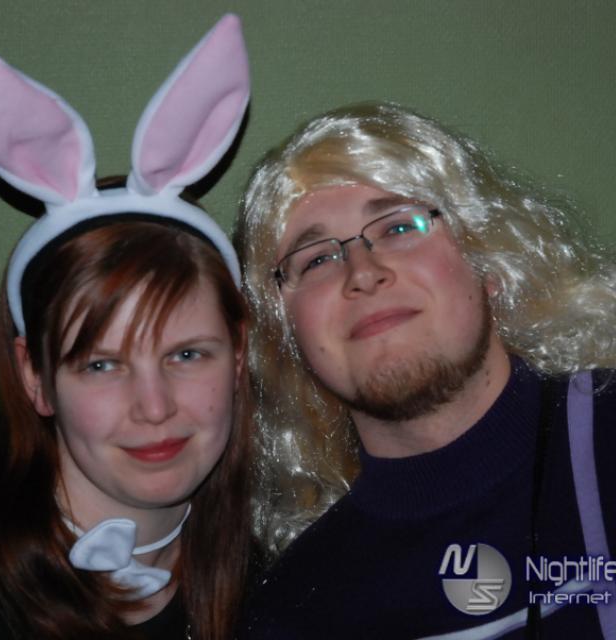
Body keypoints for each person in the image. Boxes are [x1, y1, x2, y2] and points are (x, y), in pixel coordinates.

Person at [234, 102, 616, 638]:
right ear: (288, 334)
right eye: (316, 259)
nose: (362, 272)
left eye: (399, 226)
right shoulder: (292, 615)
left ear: (489, 260)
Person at [0, 14, 253, 639]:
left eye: (187, 355)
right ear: (35, 377)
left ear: (238, 355)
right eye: (102, 364)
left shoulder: (279, 580)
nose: (154, 408)